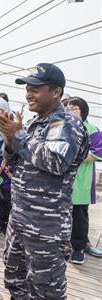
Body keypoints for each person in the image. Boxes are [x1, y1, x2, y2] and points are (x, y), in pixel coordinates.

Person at [0, 63, 89, 298]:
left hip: (46, 227)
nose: (28, 93)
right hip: (20, 219)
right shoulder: (34, 123)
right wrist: (9, 140)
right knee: (15, 280)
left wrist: (18, 135)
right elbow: (14, 160)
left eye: (35, 88)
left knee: (47, 291)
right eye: (27, 88)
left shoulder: (66, 123)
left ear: (56, 92)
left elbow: (55, 161)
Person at [65, 97, 102, 263]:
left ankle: (78, 249)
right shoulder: (59, 127)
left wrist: (70, 157)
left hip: (80, 183)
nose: (70, 111)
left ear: (83, 110)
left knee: (79, 217)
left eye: (74, 108)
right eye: (68, 108)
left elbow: (97, 153)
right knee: (60, 216)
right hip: (60, 183)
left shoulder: (92, 129)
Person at [0, 159, 14, 235]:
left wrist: (8, 172)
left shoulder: (16, 165)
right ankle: (0, 224)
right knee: (0, 208)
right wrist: (1, 168)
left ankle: (7, 226)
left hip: (10, 190)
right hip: (1, 188)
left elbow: (14, 179)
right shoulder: (3, 162)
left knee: (9, 208)